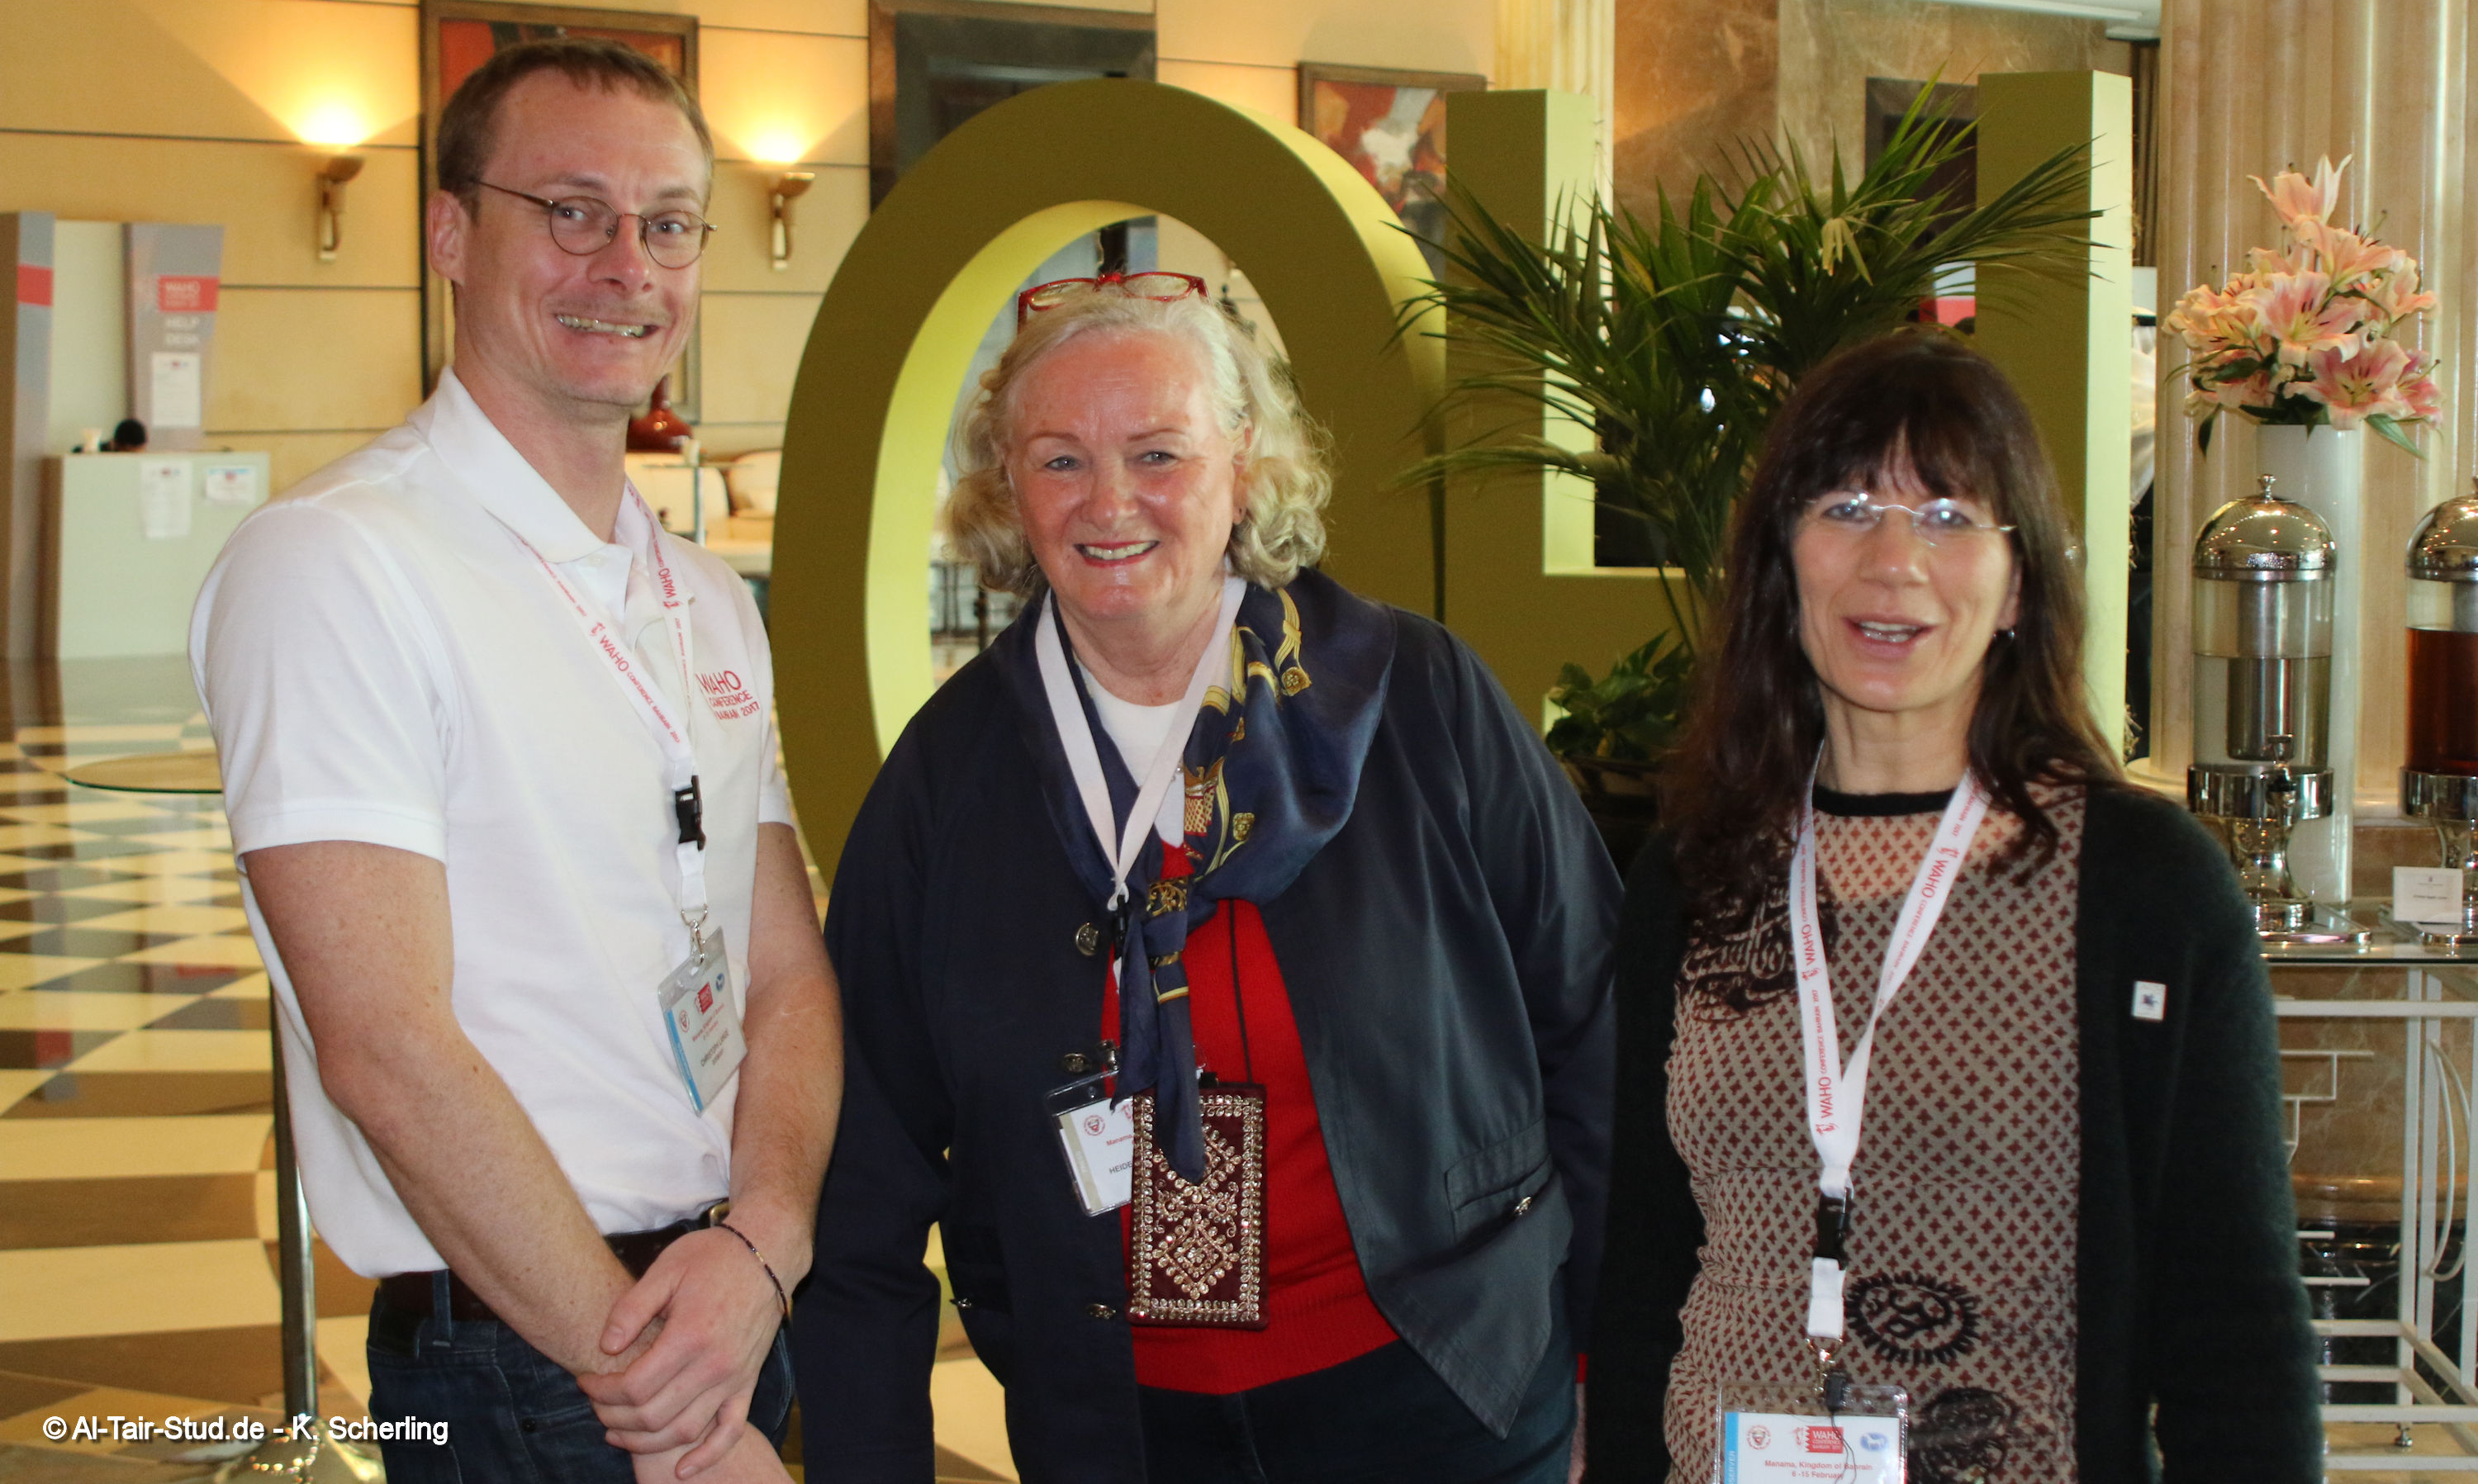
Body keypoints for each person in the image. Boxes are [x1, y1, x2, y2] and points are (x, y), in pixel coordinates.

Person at [792, 275, 1616, 1482]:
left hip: (1447, 1392)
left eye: (1158, 453)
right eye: (1060, 459)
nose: (1109, 501)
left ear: (1245, 466)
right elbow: (863, 1163)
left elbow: (1595, 1025)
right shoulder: (947, 779)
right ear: (1008, 492)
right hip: (1118, 1428)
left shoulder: (1415, 698)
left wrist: (1605, 1362)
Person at [191, 38, 842, 1483]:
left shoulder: (703, 595)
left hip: (726, 1304)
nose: (627, 265)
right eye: (571, 211)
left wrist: (765, 1245)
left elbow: (784, 974)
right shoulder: (338, 564)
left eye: (668, 223)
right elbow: (388, 1050)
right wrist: (660, 1400)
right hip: (533, 1352)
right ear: (449, 233)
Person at [1585, 333, 2319, 1482]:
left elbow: (2235, 1320)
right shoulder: (1696, 876)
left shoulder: (2140, 887)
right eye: (1846, 508)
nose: (1893, 562)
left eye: (1947, 516)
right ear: (1782, 562)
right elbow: (1643, 1268)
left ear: (2018, 581)